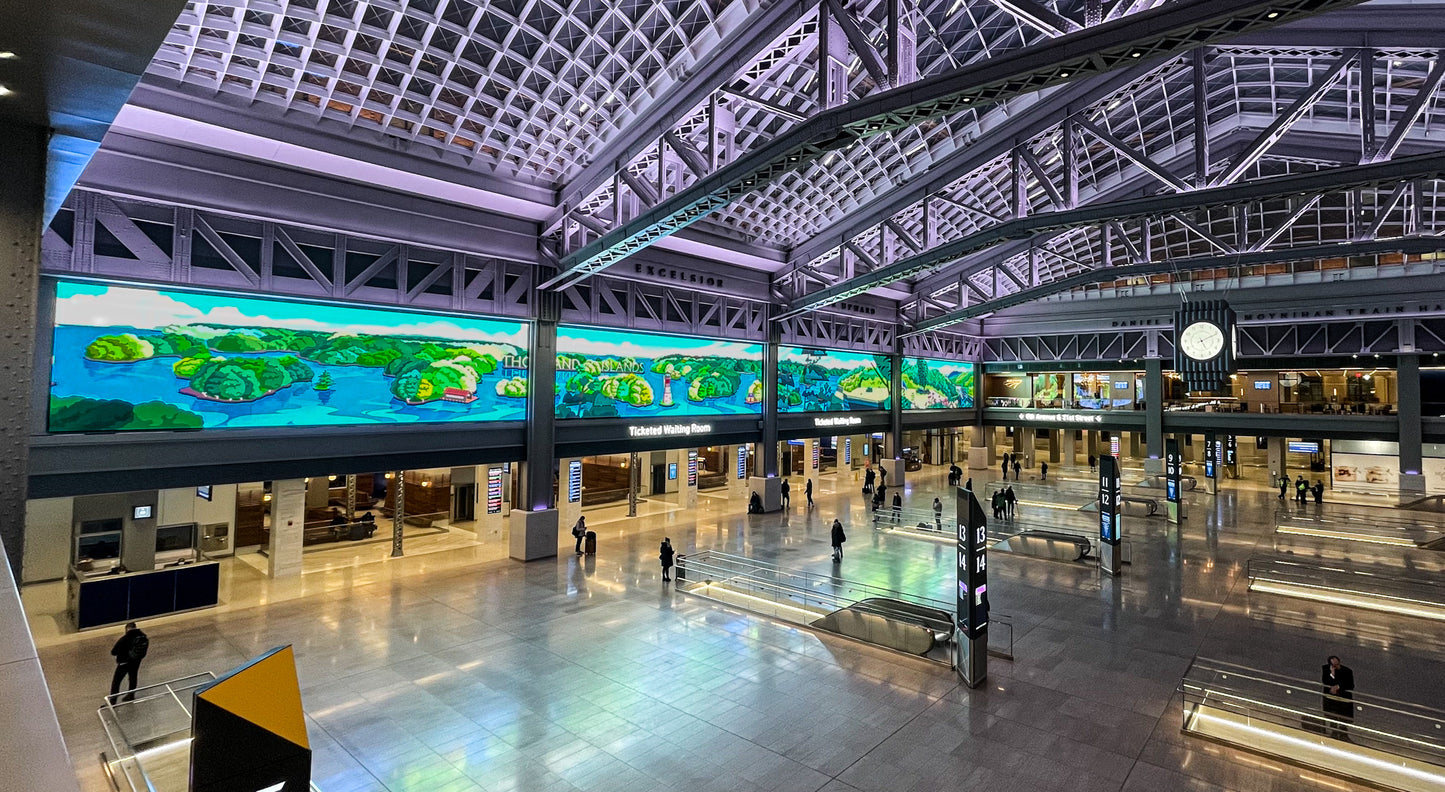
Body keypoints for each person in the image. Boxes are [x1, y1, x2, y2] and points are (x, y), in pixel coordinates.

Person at [109, 622, 149, 702]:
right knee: (133, 677)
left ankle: (113, 700)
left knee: (116, 681)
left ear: (127, 629)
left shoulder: (125, 638)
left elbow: (114, 651)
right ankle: (131, 695)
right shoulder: (143, 636)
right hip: (136, 661)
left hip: (124, 662)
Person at [1321, 655, 1355, 740]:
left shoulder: (1347, 671)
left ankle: (1343, 734)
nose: (1337, 667)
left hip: (1343, 698)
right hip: (1331, 699)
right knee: (1332, 715)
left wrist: (1338, 686)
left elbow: (1350, 685)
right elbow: (1325, 681)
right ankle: (1334, 732)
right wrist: (1332, 675)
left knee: (1343, 717)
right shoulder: (1326, 669)